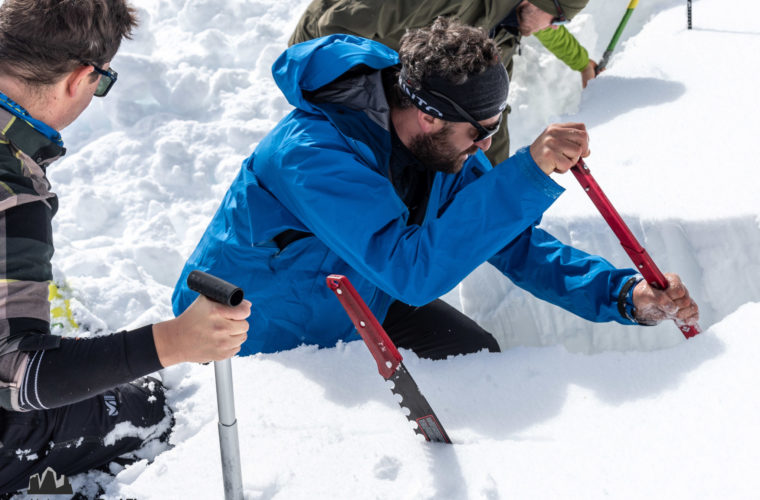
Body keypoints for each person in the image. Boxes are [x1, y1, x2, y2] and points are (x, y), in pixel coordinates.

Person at [172, 17, 698, 362]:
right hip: (257, 335)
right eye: (480, 132)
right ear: (428, 116)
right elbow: (412, 271)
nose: (485, 145)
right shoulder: (312, 155)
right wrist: (528, 173)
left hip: (361, 296)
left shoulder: (442, 147)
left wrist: (622, 294)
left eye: (494, 128)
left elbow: (510, 239)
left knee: (478, 360)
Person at [0, 0, 251, 494]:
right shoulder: (13, 194)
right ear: (80, 78)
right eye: (103, 82)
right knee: (143, 410)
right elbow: (15, 374)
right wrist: (175, 341)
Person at [289, 0, 599, 165]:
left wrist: (489, 183)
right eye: (558, 20)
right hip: (321, 55)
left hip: (401, 77)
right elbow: (336, 25)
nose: (553, 27)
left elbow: (488, 115)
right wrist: (374, 103)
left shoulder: (505, 27)